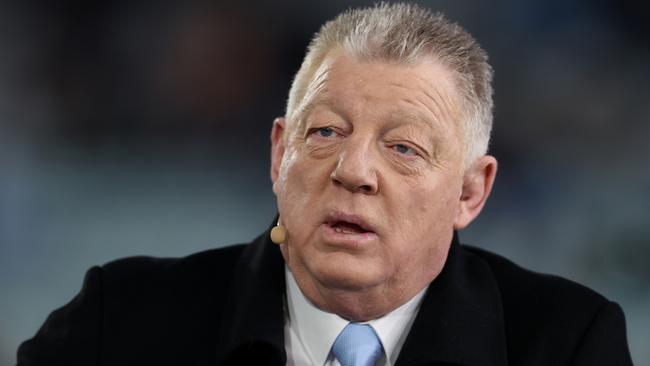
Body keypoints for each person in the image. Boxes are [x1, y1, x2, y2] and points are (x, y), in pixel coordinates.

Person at [17, 3, 632, 366]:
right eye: (326, 133)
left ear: (471, 193)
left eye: (404, 148)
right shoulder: (116, 326)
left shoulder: (566, 342)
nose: (354, 172)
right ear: (280, 152)